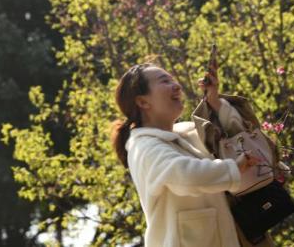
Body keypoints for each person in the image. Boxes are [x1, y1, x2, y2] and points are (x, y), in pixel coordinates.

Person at [111, 60, 262, 247]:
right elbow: (185, 175)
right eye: (164, 81)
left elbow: (237, 138)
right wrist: (234, 168)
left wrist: (214, 101)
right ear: (143, 101)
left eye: (172, 80)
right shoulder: (143, 147)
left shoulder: (188, 131)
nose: (176, 86)